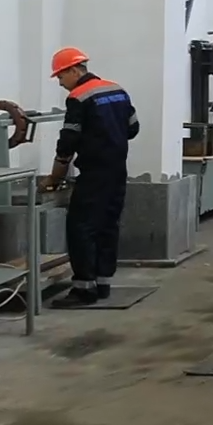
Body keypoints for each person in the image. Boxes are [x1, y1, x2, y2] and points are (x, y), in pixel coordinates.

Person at [42, 47, 140, 307]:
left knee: (81, 227)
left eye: (61, 76)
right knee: (108, 225)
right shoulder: (117, 89)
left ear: (74, 70)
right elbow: (133, 128)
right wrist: (110, 137)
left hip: (94, 173)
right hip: (117, 170)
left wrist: (54, 176)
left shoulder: (78, 97)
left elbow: (68, 142)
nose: (60, 83)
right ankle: (103, 283)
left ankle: (84, 289)